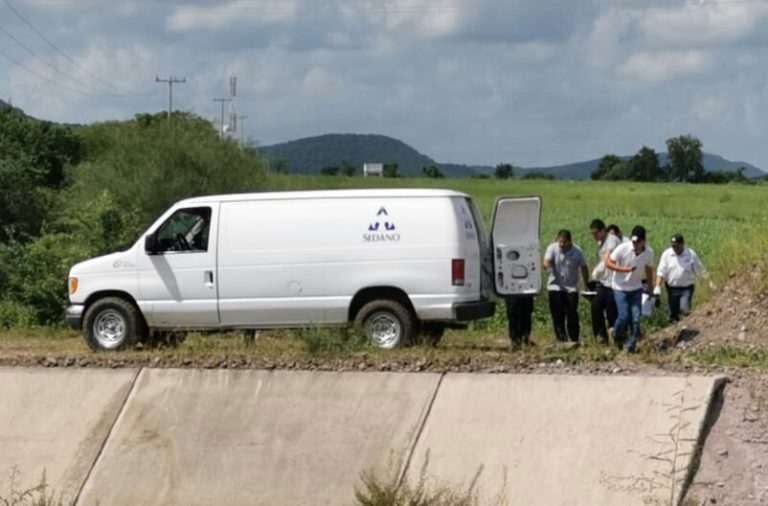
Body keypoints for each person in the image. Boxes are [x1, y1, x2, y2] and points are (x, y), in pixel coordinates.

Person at [605, 225, 654, 353]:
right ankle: (615, 333)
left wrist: (650, 287)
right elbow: (608, 263)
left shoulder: (649, 253)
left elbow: (649, 270)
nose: (635, 244)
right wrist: (623, 269)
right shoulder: (623, 248)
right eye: (633, 241)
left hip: (636, 288)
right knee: (623, 316)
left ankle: (631, 347)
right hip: (620, 287)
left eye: (638, 242)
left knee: (636, 319)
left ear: (643, 241)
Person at [543, 230, 589, 343]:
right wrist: (547, 265)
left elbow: (584, 267)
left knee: (572, 313)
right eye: (560, 242)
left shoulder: (577, 252)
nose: (562, 245)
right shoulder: (552, 248)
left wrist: (586, 283)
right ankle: (561, 340)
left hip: (571, 288)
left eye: (564, 242)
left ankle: (574, 339)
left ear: (570, 241)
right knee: (557, 315)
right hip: (555, 287)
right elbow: (545, 262)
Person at [654, 234, 706, 322]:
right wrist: (658, 286)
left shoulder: (690, 254)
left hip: (686, 288)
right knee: (673, 314)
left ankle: (686, 325)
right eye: (673, 246)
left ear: (682, 244)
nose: (675, 248)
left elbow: (700, 270)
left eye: (677, 246)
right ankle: (676, 330)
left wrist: (708, 281)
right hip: (672, 289)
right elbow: (661, 271)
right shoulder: (667, 254)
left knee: (684, 309)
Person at [589, 219, 621, 345]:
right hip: (604, 283)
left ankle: (616, 339)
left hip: (614, 284)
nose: (594, 236)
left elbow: (609, 257)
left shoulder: (611, 240)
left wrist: (598, 270)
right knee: (595, 306)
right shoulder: (601, 242)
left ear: (603, 230)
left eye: (596, 233)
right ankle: (601, 338)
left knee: (612, 312)